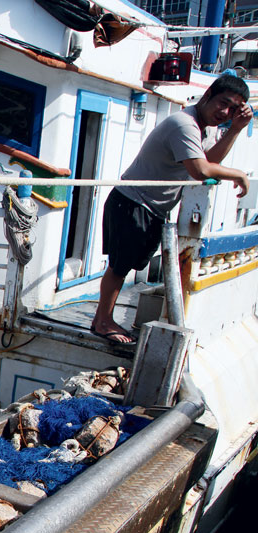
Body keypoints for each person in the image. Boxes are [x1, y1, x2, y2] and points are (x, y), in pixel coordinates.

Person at [91, 73, 252, 344]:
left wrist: (234, 129)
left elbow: (209, 159)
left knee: (128, 264)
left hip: (152, 207)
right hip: (132, 201)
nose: (225, 112)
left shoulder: (205, 128)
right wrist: (237, 174)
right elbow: (200, 170)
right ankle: (102, 321)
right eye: (223, 103)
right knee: (119, 266)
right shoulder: (184, 124)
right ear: (207, 95)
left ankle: (104, 319)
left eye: (234, 109)